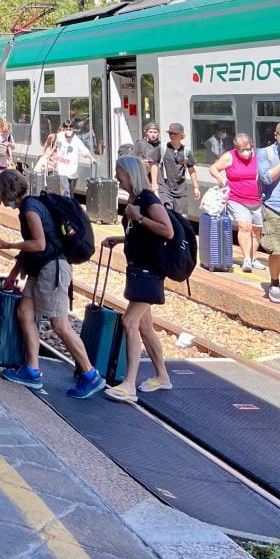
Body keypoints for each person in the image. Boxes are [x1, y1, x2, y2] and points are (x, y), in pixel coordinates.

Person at [0, 170, 105, 400]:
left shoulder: (31, 209)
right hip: (40, 270)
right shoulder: (30, 205)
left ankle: (90, 374)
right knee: (24, 312)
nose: (1, 200)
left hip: (52, 269)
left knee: (59, 325)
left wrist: (7, 245)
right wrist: (14, 273)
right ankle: (31, 370)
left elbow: (39, 244)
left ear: (6, 192)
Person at [99, 156, 174, 402]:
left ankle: (129, 383)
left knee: (129, 322)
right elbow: (142, 235)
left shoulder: (147, 199)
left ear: (130, 174)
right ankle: (162, 376)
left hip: (148, 273)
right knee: (143, 326)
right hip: (138, 270)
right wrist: (119, 240)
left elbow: (167, 230)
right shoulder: (134, 199)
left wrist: (139, 217)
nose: (117, 177)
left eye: (119, 172)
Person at [209, 133, 265, 274]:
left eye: (247, 148)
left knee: (256, 230)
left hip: (257, 200)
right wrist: (220, 179)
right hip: (236, 198)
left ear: (251, 146)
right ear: (236, 148)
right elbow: (213, 168)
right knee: (245, 226)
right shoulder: (230, 156)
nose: (245, 152)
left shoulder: (258, 156)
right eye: (241, 150)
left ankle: (252, 258)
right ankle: (246, 259)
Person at [257, 121, 280, 304]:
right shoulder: (265, 153)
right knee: (277, 250)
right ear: (275, 136)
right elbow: (266, 178)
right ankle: (275, 284)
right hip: (274, 208)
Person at [155, 123, 200, 215]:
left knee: (180, 217)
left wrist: (196, 187)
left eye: (175, 133)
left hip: (181, 190)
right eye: (170, 133)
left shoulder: (186, 151)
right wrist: (154, 183)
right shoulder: (163, 148)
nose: (172, 135)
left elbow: (191, 170)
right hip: (164, 187)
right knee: (167, 213)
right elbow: (154, 165)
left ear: (181, 135)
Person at [51, 122, 97, 199]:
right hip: (62, 170)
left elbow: (84, 151)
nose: (68, 131)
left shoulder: (76, 141)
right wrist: (53, 155)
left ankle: (70, 207)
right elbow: (55, 146)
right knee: (66, 191)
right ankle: (66, 208)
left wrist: (91, 158)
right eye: (66, 129)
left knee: (71, 193)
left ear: (73, 129)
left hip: (73, 171)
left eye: (70, 129)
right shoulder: (59, 136)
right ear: (64, 129)